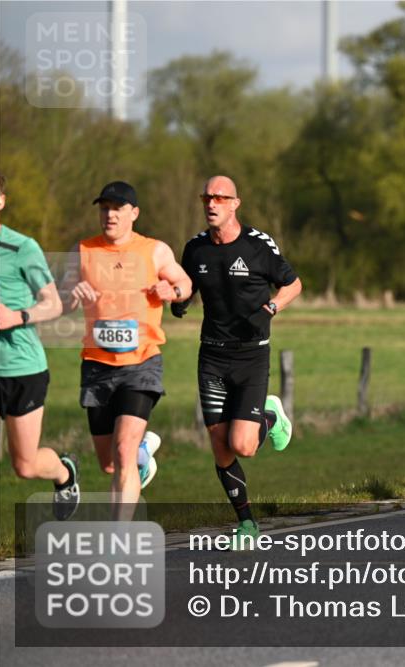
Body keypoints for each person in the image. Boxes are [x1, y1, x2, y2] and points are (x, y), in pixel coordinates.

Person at [173, 175, 301, 545]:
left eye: (219, 197)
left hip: (251, 356)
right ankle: (246, 523)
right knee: (220, 445)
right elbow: (188, 287)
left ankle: (270, 415)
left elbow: (294, 283)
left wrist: (273, 307)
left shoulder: (258, 246)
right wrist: (179, 301)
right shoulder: (195, 249)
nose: (211, 204)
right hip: (211, 356)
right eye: (206, 197)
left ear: (235, 203)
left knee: (243, 444)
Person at [65, 181, 192, 515]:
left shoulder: (154, 250)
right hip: (96, 365)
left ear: (133, 213)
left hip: (142, 362)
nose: (109, 215)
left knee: (122, 452)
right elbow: (58, 299)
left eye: (117, 209)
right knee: (109, 463)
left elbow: (185, 283)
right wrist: (71, 294)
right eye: (104, 208)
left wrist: (173, 291)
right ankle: (143, 454)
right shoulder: (83, 250)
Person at [0, 171, 77, 520]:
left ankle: (64, 473)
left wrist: (17, 317)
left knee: (25, 466)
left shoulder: (21, 247)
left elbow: (53, 304)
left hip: (22, 367)